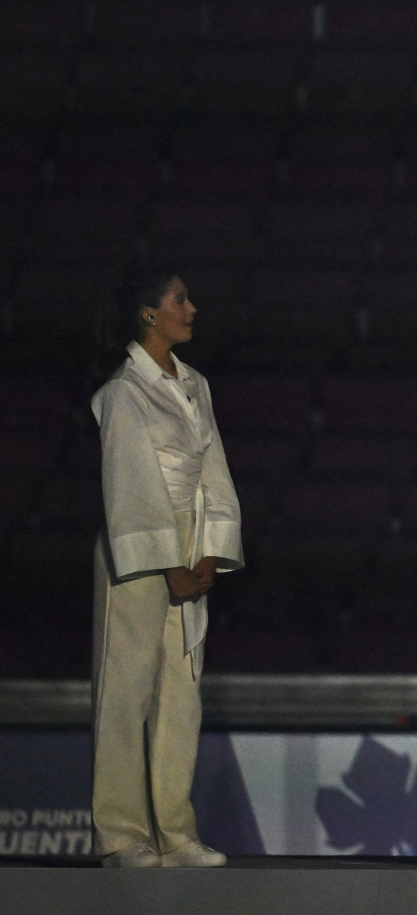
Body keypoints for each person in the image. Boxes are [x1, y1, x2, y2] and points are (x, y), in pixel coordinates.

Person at [90, 268, 243, 868]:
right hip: (140, 544)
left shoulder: (195, 384)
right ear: (149, 313)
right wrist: (165, 564)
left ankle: (175, 831)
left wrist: (207, 549)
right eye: (181, 300)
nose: (192, 308)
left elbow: (214, 470)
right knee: (126, 690)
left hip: (189, 539)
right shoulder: (124, 389)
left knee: (182, 691)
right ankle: (122, 835)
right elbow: (129, 485)